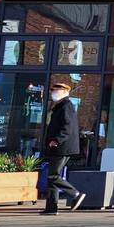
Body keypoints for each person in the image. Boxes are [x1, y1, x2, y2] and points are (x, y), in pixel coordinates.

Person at [42, 82, 85, 213]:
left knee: (53, 176)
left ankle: (75, 194)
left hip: (62, 147)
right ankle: (51, 208)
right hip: (58, 146)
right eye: (53, 91)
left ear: (64, 92)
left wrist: (57, 140)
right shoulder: (59, 106)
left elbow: (68, 127)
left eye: (56, 91)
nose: (53, 93)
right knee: (52, 177)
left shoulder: (66, 105)